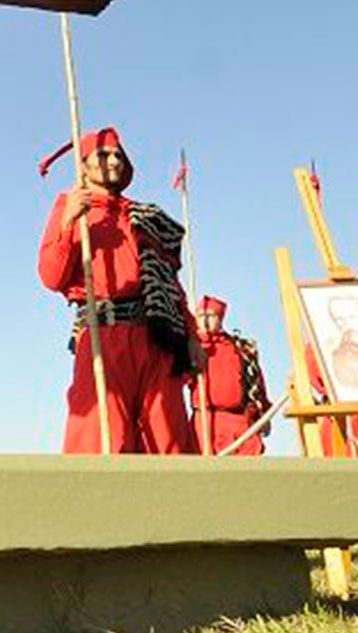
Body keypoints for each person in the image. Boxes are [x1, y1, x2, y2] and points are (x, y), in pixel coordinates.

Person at [38, 127, 202, 454]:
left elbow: (169, 284)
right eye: (103, 154)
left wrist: (192, 336)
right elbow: (51, 277)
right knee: (100, 436)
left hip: (155, 334)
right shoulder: (70, 208)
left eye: (117, 154)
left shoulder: (144, 216)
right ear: (83, 167)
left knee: (166, 435)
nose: (113, 160)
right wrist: (70, 222)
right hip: (103, 334)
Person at [192, 296, 271, 456]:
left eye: (210, 315)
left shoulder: (241, 348)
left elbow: (256, 382)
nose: (205, 320)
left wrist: (264, 413)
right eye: (201, 316)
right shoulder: (193, 348)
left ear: (220, 319)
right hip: (205, 422)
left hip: (239, 422)